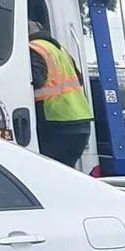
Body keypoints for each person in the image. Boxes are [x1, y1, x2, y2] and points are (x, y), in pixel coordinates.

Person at [29, 19, 93, 166]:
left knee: (47, 171)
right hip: (80, 122)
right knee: (64, 172)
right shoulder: (60, 49)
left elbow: (35, 79)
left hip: (56, 122)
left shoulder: (34, 49)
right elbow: (79, 79)